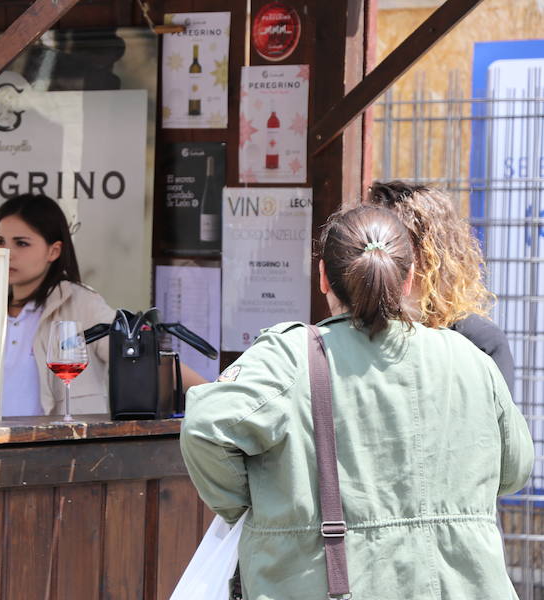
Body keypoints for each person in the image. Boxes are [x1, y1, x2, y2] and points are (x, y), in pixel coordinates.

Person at [180, 205, 533, 599]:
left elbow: (205, 426)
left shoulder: (288, 357)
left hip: (320, 581)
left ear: (323, 278)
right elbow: (514, 469)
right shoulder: (470, 359)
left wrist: (254, 503)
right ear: (409, 279)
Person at [0, 193, 207, 417]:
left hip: (55, 446)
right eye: (0, 242)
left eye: (21, 243)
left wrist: (212, 393)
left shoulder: (78, 303)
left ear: (53, 251)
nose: (8, 253)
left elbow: (139, 355)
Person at [366, 180, 515, 393]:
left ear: (429, 256)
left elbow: (498, 422)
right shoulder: (360, 332)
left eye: (391, 246)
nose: (377, 260)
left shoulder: (479, 342)